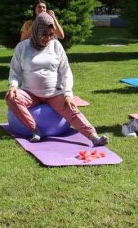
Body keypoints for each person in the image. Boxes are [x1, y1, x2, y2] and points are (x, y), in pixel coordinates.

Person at [7, 12, 108, 145]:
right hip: (30, 93)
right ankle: (35, 129)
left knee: (71, 108)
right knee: (11, 97)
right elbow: (15, 71)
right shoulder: (22, 47)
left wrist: (68, 94)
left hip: (53, 93)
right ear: (36, 31)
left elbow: (65, 71)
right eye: (44, 34)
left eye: (51, 34)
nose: (48, 38)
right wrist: (13, 86)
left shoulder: (56, 46)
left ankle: (94, 137)